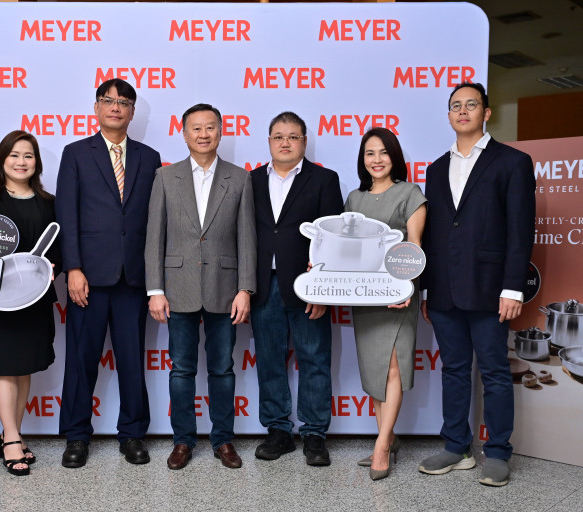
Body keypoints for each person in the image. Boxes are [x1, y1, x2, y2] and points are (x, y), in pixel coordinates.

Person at [418, 82, 535, 487]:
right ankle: (456, 447)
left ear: (486, 113)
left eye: (471, 104)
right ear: (449, 115)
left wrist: (513, 287)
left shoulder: (512, 162)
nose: (463, 111)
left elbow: (521, 230)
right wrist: (427, 289)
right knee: (453, 370)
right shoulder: (436, 169)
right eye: (456, 105)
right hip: (444, 288)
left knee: (495, 371)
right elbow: (434, 234)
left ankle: (498, 451)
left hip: (490, 288)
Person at [56, 78, 161, 468]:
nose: (116, 107)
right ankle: (76, 435)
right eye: (108, 100)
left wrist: (155, 280)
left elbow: (154, 221)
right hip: (88, 277)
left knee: (132, 360)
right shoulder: (76, 153)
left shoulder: (149, 158)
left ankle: (132, 434)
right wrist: (73, 268)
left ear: (132, 112)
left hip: (133, 278)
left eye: (124, 102)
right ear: (97, 108)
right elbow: (67, 214)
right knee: (81, 360)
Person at [145, 103, 256, 470]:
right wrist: (155, 290)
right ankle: (183, 441)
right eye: (196, 128)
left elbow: (247, 238)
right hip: (177, 288)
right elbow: (155, 237)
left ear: (220, 132)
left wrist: (245, 289)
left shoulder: (239, 178)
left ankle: (223, 440)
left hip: (226, 289)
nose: (204, 134)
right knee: (181, 370)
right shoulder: (166, 177)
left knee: (223, 370)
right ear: (184, 133)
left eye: (210, 127)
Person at [249, 112, 343, 467]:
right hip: (264, 284)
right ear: (269, 141)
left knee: (314, 359)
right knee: (269, 359)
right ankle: (278, 431)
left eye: (293, 136)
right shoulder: (251, 180)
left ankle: (315, 433)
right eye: (278, 136)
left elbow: (332, 239)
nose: (285, 142)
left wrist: (321, 288)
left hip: (308, 286)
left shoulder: (324, 179)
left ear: (304, 141)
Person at [0, 130, 61, 476]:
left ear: (36, 163)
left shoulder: (48, 202)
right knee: (5, 366)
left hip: (34, 299)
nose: (21, 162)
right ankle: (10, 439)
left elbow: (58, 249)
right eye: (14, 155)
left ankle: (13, 435)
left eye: (28, 156)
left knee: (23, 368)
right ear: (2, 160)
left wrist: (54, 267)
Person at [345, 127, 427, 481]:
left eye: (383, 152)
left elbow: (415, 246)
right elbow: (346, 249)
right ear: (362, 159)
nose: (376, 160)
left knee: (393, 367)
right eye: (369, 153)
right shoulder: (354, 199)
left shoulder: (410, 193)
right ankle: (388, 438)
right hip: (364, 297)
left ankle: (380, 446)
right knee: (375, 370)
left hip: (397, 294)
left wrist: (406, 289)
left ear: (394, 156)